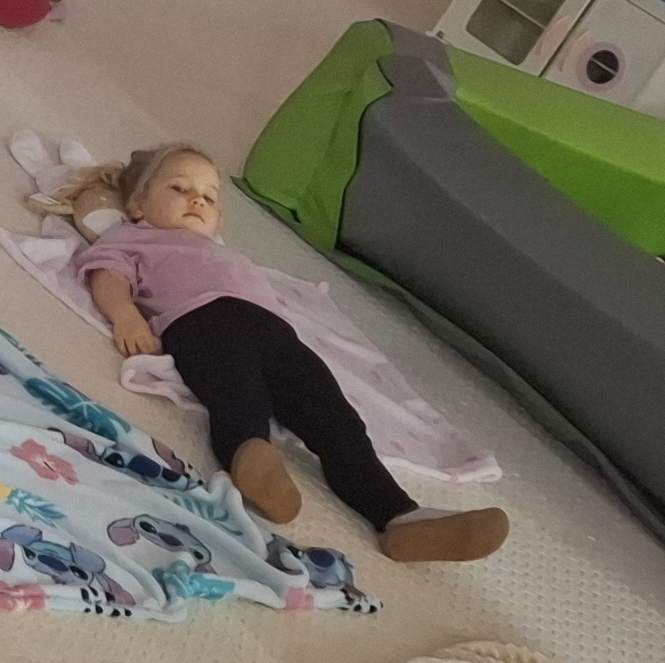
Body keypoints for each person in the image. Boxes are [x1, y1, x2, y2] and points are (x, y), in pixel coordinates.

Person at [74, 142, 507, 564]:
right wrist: (126, 316)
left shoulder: (219, 251)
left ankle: (399, 515)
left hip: (277, 334)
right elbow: (107, 274)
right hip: (200, 323)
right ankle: (251, 457)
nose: (197, 200)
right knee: (237, 394)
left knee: (336, 418)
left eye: (209, 196)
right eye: (179, 188)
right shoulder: (136, 237)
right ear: (137, 205)